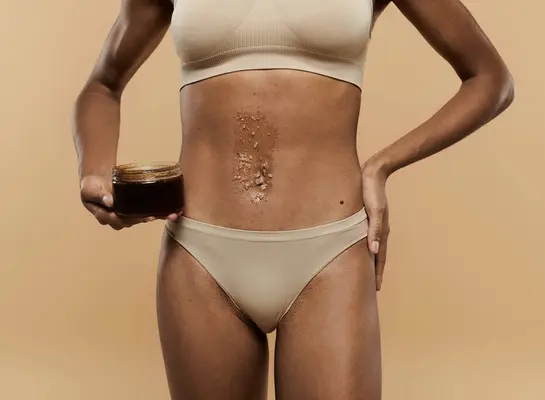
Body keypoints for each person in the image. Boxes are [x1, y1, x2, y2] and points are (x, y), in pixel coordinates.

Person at [72, 0, 514, 398]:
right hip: (200, 254)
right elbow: (103, 85)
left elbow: (490, 79)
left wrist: (382, 166)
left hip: (331, 255)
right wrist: (95, 172)